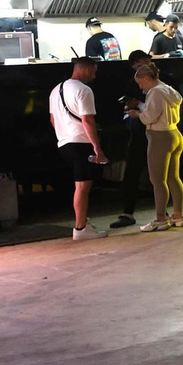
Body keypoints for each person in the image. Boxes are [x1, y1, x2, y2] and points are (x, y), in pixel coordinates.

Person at [50, 57, 108, 240]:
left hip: (64, 142)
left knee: (80, 185)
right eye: (94, 71)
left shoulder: (55, 90)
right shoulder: (84, 90)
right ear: (86, 69)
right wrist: (97, 146)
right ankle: (80, 228)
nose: (94, 75)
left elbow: (52, 119)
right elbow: (87, 120)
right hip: (81, 142)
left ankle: (82, 223)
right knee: (83, 186)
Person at [125, 63, 183, 231]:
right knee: (174, 177)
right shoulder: (168, 89)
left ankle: (160, 218)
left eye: (140, 83)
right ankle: (178, 215)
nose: (140, 87)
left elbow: (150, 117)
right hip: (175, 133)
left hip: (160, 137)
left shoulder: (155, 92)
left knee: (157, 180)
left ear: (146, 78)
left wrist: (136, 114)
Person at [111, 49, 155, 229]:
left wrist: (139, 107)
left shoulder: (163, 82)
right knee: (132, 172)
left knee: (160, 174)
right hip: (139, 133)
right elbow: (127, 104)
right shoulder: (131, 83)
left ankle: (165, 211)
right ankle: (127, 212)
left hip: (157, 131)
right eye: (138, 65)